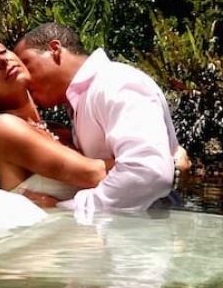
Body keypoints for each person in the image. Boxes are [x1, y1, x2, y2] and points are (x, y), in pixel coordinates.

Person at [13, 22, 185, 215]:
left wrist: (64, 210)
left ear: (54, 49)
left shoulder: (115, 82)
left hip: (145, 236)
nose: (24, 79)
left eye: (26, 63)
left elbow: (148, 172)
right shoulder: (87, 97)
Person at [0, 32, 113, 206]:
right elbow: (94, 175)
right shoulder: (3, 128)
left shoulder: (58, 130)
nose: (2, 61)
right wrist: (140, 156)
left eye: (2, 50)